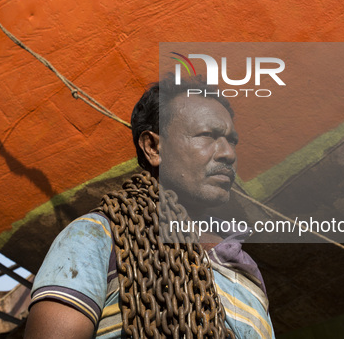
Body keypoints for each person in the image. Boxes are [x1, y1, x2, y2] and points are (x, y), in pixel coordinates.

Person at [24, 77, 275, 338]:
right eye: (208, 136)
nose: (228, 154)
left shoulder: (246, 271)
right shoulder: (94, 237)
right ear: (153, 147)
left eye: (231, 140)